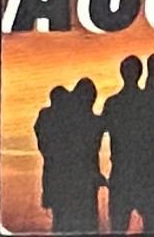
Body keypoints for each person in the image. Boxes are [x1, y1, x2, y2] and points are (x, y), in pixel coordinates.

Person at [33, 78, 105, 232]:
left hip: (64, 186)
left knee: (63, 225)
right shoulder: (83, 122)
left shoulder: (54, 118)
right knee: (81, 225)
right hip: (78, 187)